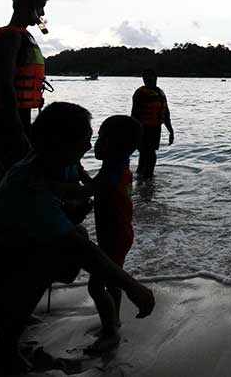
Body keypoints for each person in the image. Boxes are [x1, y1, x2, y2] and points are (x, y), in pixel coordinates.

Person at [0, 102, 154, 373]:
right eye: (84, 142)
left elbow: (74, 198)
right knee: (64, 249)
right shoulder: (28, 185)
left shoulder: (56, 163)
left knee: (67, 243)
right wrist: (134, 287)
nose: (89, 148)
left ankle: (10, 322)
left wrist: (72, 208)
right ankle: (5, 349)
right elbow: (82, 249)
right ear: (59, 146)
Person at [0, 0, 51, 209]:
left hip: (19, 122)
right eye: (39, 6)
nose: (42, 13)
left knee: (17, 190)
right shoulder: (8, 37)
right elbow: (4, 85)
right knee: (1, 190)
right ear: (25, 4)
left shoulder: (23, 35)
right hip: (4, 124)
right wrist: (18, 131)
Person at [86, 115, 142, 351]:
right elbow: (96, 187)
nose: (96, 144)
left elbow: (87, 191)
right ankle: (114, 319)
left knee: (96, 286)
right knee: (112, 280)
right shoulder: (119, 166)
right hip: (121, 233)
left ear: (113, 146)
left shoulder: (111, 172)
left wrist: (55, 187)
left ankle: (110, 332)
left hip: (113, 236)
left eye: (101, 138)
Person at [130, 69, 174, 180]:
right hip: (143, 128)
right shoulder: (140, 93)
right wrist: (133, 132)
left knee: (146, 155)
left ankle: (141, 179)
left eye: (151, 77)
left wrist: (171, 131)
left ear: (156, 78)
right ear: (143, 79)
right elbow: (134, 114)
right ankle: (148, 180)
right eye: (146, 78)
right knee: (149, 154)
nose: (149, 80)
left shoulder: (160, 93)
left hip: (155, 128)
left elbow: (166, 114)